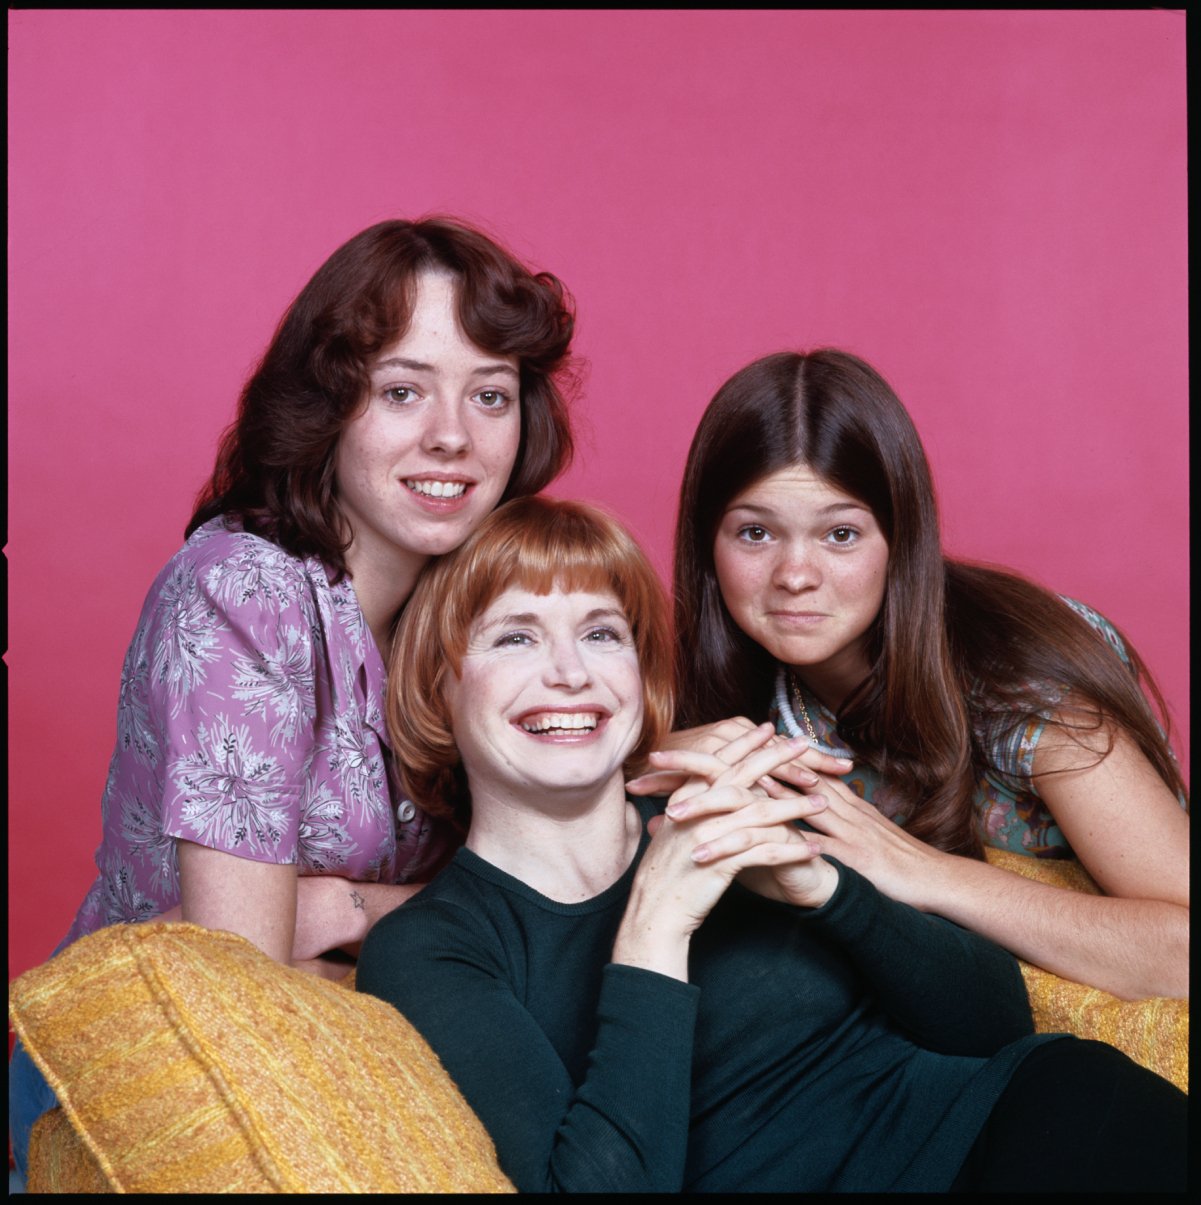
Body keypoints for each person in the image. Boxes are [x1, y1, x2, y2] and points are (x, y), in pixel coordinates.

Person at [356, 495, 1187, 1194]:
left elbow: (993, 1028)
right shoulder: (432, 948)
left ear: (640, 681)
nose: (569, 672)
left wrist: (830, 891)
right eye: (516, 636)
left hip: (1033, 1131)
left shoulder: (737, 814)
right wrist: (653, 932)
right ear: (437, 683)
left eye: (602, 633)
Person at [8, 215, 578, 1182]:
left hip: (351, 1084)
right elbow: (245, 973)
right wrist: (455, 931)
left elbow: (568, 906)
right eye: (402, 391)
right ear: (327, 407)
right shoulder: (247, 587)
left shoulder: (477, 608)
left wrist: (351, 905)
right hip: (144, 1104)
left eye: (491, 395)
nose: (453, 434)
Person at [630, 348, 1188, 1002]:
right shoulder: (730, 698)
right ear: (706, 546)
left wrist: (916, 868)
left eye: (839, 534)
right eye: (755, 533)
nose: (795, 574)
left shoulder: (1019, 677)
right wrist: (641, 755)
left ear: (901, 540)